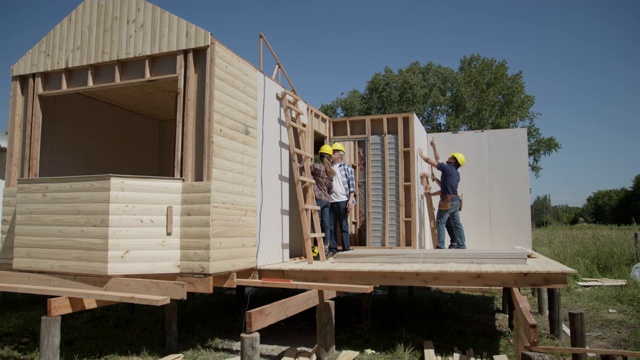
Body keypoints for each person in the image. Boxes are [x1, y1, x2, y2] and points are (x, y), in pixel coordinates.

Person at [419, 138, 467, 249]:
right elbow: (444, 189)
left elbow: (434, 161)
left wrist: (422, 156)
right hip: (455, 201)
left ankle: (441, 245)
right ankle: (462, 245)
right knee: (457, 224)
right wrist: (434, 147)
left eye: (451, 157)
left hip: (447, 201)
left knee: (440, 221)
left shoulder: (448, 169)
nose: (449, 157)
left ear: (454, 161)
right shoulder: (455, 173)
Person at [328, 142, 356, 256]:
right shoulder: (328, 167)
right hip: (331, 201)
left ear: (340, 155)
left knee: (344, 226)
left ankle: (346, 249)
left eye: (334, 152)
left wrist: (350, 200)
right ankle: (333, 249)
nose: (332, 154)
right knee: (331, 227)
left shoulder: (347, 168)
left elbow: (352, 186)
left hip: (343, 200)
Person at [308, 145, 335, 256]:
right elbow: (331, 189)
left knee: (314, 222)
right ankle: (325, 247)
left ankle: (316, 246)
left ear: (320, 155)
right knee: (326, 224)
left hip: (318, 199)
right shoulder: (330, 171)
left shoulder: (317, 167)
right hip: (327, 201)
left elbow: (304, 167)